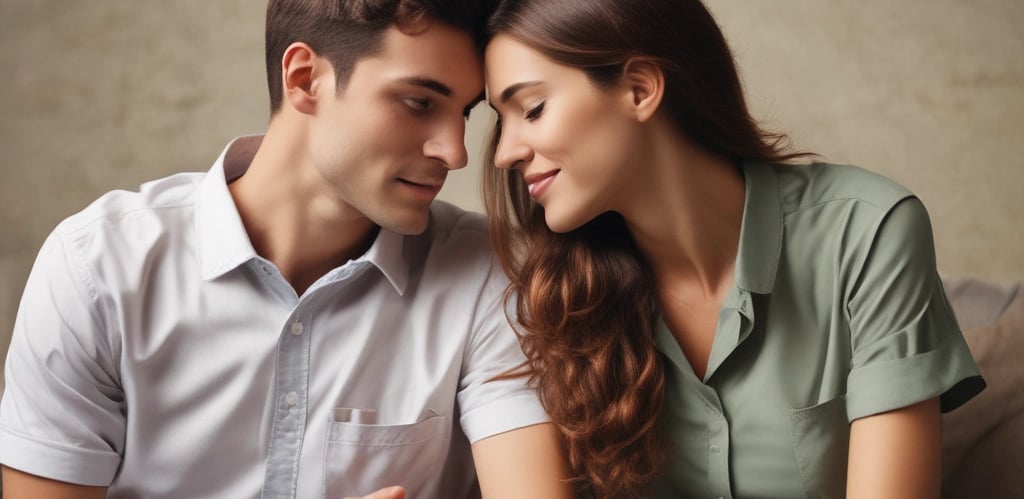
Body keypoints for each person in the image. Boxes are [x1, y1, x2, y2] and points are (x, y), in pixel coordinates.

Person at [0, 1, 575, 498]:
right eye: (420, 103)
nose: (454, 153)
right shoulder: (98, 269)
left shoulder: (487, 274)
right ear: (304, 79)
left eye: (465, 113)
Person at [482, 0, 986, 497]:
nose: (505, 152)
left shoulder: (868, 232)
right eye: (500, 121)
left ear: (640, 89)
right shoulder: (559, 297)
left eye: (532, 109)